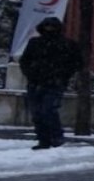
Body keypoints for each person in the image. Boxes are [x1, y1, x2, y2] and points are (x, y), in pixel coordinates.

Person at [18, 17, 83, 149]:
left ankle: (56, 137)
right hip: (36, 82)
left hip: (54, 83)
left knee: (48, 110)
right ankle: (44, 139)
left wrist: (63, 75)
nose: (49, 30)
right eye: (47, 27)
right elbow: (24, 61)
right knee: (37, 113)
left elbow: (77, 63)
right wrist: (31, 74)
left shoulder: (67, 44)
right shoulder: (35, 43)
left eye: (52, 27)